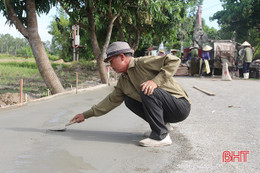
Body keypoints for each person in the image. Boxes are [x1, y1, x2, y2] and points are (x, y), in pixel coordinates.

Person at [70, 41, 191, 147]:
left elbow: (174, 60)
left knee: (146, 88)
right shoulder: (123, 80)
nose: (111, 66)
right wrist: (85, 115)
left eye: (112, 61)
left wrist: (155, 82)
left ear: (122, 57)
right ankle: (163, 126)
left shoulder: (142, 63)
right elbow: (110, 101)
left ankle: (161, 137)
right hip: (167, 112)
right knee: (129, 100)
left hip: (179, 106)